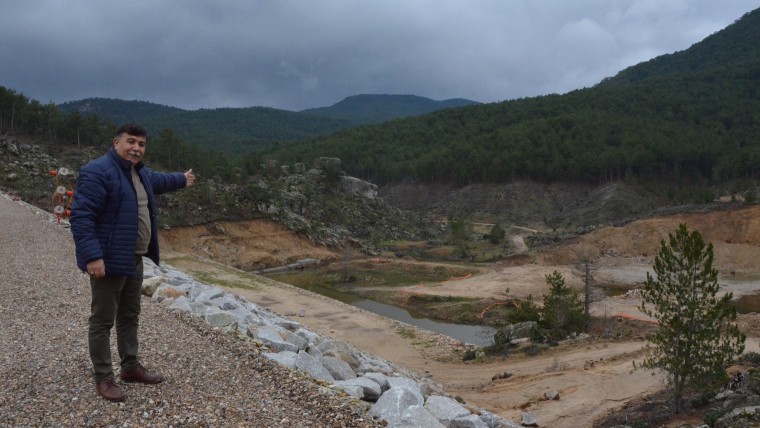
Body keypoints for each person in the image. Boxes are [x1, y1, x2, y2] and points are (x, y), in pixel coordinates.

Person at [70, 123, 195, 402]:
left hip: (134, 259)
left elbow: (160, 181)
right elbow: (81, 217)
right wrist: (93, 256)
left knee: (129, 316)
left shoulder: (139, 173)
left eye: (141, 144)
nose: (136, 148)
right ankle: (103, 377)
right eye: (131, 142)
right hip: (109, 261)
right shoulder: (98, 171)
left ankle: (130, 367)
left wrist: (182, 179)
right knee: (102, 321)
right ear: (117, 143)